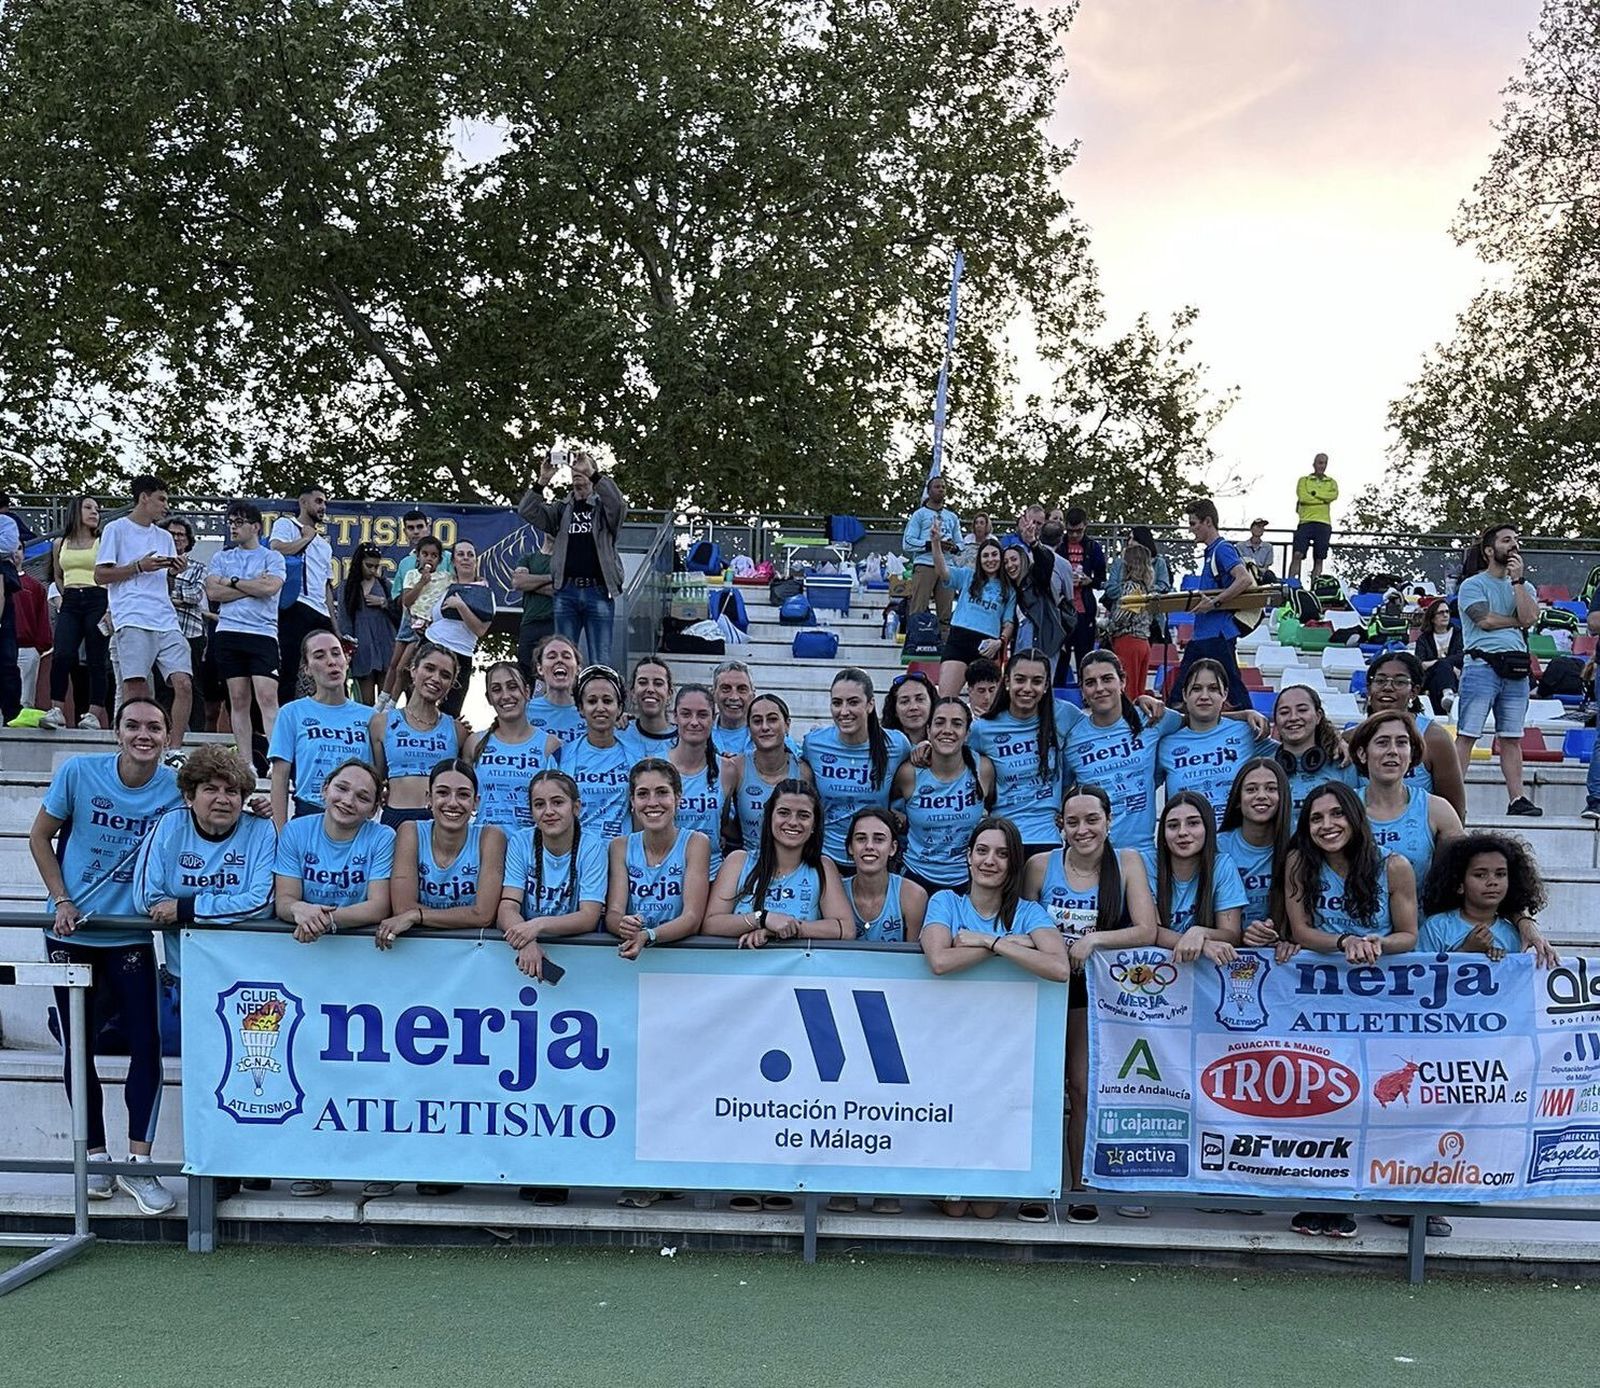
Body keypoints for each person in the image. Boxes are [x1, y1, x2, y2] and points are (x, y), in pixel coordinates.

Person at [27, 698, 182, 1213]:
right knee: (79, 1049)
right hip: (71, 935)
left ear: (167, 735)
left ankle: (140, 1165)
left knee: (147, 1044)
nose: (144, 734)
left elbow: (222, 801)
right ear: (116, 732)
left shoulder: (175, 784)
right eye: (133, 725)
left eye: (155, 727)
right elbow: (40, 836)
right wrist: (61, 900)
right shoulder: (78, 773)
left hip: (132, 937)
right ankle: (95, 1157)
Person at [1284, 781, 1417, 1241]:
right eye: (1317, 818)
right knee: (1322, 1097)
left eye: (1336, 815)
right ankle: (1319, 1197)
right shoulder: (1300, 862)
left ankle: (1362, 1197)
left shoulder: (1394, 866)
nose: (1327, 826)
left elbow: (1408, 936)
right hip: (1320, 1001)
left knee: (1372, 1099)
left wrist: (1375, 943)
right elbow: (1301, 930)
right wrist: (1344, 942)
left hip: (1381, 1002)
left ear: (1354, 818)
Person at [1023, 786, 1158, 1224]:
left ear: (1108, 821)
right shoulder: (1040, 866)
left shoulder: (1130, 863)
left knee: (1080, 1088)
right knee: (1040, 1089)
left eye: (1092, 820)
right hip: (1043, 988)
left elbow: (1146, 930)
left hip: (1094, 993)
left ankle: (1080, 1186)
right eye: (1073, 821)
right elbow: (1023, 923)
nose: (1083, 830)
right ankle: (1036, 1183)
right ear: (1060, 825)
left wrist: (1094, 939)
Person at [271, 756, 395, 1199]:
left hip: (364, 972)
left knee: (369, 1070)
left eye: (363, 796)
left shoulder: (383, 837)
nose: (349, 801)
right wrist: (300, 911)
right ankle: (315, 1164)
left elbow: (378, 907)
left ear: (375, 806)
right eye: (342, 789)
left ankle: (376, 1163)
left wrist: (321, 918)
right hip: (307, 968)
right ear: (324, 789)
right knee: (310, 1067)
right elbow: (285, 899)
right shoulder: (297, 831)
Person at [132, 744, 277, 981]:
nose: (222, 799)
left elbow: (261, 904)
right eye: (211, 789)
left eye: (231, 791)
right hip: (184, 975)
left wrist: (186, 909)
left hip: (246, 976)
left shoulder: (261, 829)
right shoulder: (170, 825)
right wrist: (228, 908)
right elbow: (146, 899)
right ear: (190, 796)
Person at [94, 474, 192, 749]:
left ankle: (174, 749)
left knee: (183, 684)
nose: (165, 506)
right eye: (161, 499)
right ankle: (132, 746)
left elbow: (164, 581)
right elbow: (100, 575)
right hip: (132, 616)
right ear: (143, 497)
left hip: (165, 617)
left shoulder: (164, 536)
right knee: (136, 688)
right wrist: (138, 566)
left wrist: (174, 569)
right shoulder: (116, 529)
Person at [1454, 522, 1541, 815]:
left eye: (1516, 540)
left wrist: (1517, 582)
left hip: (1515, 669)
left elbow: (1529, 617)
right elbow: (1485, 621)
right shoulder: (1472, 585)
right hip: (1481, 665)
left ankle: (1517, 798)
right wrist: (1516, 621)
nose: (1514, 545)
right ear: (1490, 550)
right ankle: (1451, 796)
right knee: (1468, 734)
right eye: (1506, 540)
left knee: (1512, 737)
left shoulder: (1524, 586)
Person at [377, 758, 506, 949]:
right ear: (429, 798)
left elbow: (484, 915)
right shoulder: (410, 831)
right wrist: (461, 916)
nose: (452, 803)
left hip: (472, 953)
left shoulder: (491, 837)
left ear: (476, 803)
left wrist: (417, 915)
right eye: (443, 793)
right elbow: (402, 908)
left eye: (463, 795)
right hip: (418, 948)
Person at [704, 779, 852, 943]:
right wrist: (762, 919)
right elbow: (710, 924)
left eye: (804, 815)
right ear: (769, 817)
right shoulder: (738, 861)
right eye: (784, 813)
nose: (793, 822)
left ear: (814, 825)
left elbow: (845, 929)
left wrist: (787, 929)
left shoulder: (822, 867)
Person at [517, 447, 627, 665]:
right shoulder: (561, 509)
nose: (577, 470)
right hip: (566, 591)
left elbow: (618, 505)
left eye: (583, 466)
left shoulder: (603, 510)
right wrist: (542, 480)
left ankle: (597, 697)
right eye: (574, 468)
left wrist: (593, 475)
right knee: (562, 656)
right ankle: (566, 698)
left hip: (598, 589)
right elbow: (527, 511)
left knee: (601, 657)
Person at [498, 768, 609, 983]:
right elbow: (507, 906)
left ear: (576, 807)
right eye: (539, 804)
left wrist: (536, 926)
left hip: (579, 954)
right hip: (527, 951)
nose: (548, 811)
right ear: (531, 811)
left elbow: (588, 917)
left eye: (558, 802)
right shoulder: (520, 842)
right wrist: (526, 940)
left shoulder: (592, 847)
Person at [1058, 649, 1171, 851]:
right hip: (1092, 853)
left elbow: (1201, 720)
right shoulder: (1072, 737)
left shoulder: (1151, 718)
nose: (1099, 688)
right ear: (1082, 690)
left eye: (1107, 679)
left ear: (1122, 681)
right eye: (1090, 683)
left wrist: (1244, 716)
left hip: (1142, 852)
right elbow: (1061, 792)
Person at [800, 668, 911, 868]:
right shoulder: (814, 744)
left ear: (870, 704)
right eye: (837, 703)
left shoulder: (896, 744)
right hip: (826, 857)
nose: (844, 711)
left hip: (874, 858)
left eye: (853, 702)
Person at [969, 649, 1071, 859]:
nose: (1027, 688)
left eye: (1036, 681)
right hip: (1003, 836)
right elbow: (954, 760)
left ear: (1046, 686)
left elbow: (1105, 722)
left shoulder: (1064, 715)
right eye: (1020, 679)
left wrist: (1143, 701)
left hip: (1047, 837)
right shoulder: (983, 729)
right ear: (1006, 682)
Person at [607, 759, 710, 961]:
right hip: (633, 958)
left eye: (662, 792)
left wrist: (649, 935)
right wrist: (623, 924)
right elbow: (613, 913)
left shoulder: (696, 843)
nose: (652, 802)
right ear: (632, 802)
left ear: (677, 798)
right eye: (643, 794)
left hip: (682, 958)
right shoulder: (619, 846)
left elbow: (692, 918)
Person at [269, 630, 375, 827]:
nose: (331, 661)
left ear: (346, 659)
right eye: (319, 656)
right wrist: (280, 833)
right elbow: (279, 779)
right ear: (307, 668)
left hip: (357, 822)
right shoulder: (291, 713)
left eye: (336, 653)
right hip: (308, 816)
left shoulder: (371, 717)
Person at [1347, 711, 1464, 889]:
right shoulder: (1343, 808)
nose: (1393, 751)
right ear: (1362, 753)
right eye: (1382, 743)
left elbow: (1457, 877)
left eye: (1401, 743)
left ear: (1411, 754)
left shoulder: (1438, 810)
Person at [205, 502, 287, 752]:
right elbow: (213, 592)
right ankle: (246, 761)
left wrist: (232, 582)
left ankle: (276, 758)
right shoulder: (221, 557)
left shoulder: (272, 557)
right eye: (230, 522)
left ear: (255, 527)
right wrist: (250, 587)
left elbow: (269, 588)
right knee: (238, 699)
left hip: (262, 633)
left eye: (239, 522)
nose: (233, 528)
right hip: (229, 632)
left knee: (267, 696)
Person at [892, 696, 994, 893]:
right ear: (928, 730)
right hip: (916, 878)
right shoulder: (908, 773)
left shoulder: (984, 769)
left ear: (967, 733)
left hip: (968, 879)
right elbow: (889, 805)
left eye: (957, 724)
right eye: (939, 722)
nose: (947, 730)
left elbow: (993, 808)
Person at [1157, 659, 1275, 828]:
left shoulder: (1246, 733)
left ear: (1224, 694)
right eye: (1196, 689)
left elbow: (1292, 751)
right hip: (1186, 844)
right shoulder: (1166, 743)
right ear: (1185, 694)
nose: (1204, 696)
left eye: (1213, 689)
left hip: (1233, 845)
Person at [1419, 832, 1555, 965]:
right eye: (1480, 875)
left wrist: (1496, 963)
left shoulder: (1512, 934)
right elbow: (1419, 976)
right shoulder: (1437, 927)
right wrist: (1465, 951)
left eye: (1500, 874)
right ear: (1460, 885)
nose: (1492, 882)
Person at [369, 644, 467, 827]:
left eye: (445, 675)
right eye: (429, 668)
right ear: (413, 671)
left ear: (451, 684)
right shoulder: (380, 723)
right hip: (395, 819)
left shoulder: (458, 731)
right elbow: (375, 779)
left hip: (440, 823)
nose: (436, 678)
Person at [1362, 650, 1467, 820]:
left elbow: (1455, 812)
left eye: (1400, 682)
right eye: (1380, 681)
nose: (1388, 687)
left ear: (1414, 691)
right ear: (1368, 689)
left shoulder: (1434, 738)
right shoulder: (1352, 738)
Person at [1171, 498, 1252, 711]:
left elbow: (1244, 579)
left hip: (1216, 635)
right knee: (1184, 689)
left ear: (1208, 521)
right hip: (1207, 635)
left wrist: (1215, 603)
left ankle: (1255, 731)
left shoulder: (1222, 549)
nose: (1191, 529)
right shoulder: (1213, 552)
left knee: (1231, 690)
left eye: (1193, 523)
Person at [41, 494, 110, 731]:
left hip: (98, 597)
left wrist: (109, 608)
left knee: (95, 659)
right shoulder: (60, 543)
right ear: (75, 512)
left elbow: (110, 575)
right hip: (71, 599)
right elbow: (58, 574)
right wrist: (66, 593)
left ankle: (93, 713)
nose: (94, 513)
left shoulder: (102, 541)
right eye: (88, 507)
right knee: (62, 654)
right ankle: (57, 709)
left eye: (97, 509)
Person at [269, 484, 340, 706]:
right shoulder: (287, 524)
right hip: (295, 605)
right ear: (303, 502)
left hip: (320, 612)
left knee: (330, 667)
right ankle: (285, 718)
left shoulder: (324, 545)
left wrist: (335, 626)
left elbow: (327, 586)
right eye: (318, 501)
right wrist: (306, 538)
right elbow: (277, 549)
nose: (323, 507)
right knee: (290, 666)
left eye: (325, 503)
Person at [1218, 757, 1294, 956]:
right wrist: (1240, 934)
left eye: (1271, 789)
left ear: (1283, 797)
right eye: (1251, 789)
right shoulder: (1217, 846)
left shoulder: (1298, 847)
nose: (1261, 796)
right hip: (1225, 953)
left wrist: (1289, 938)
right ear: (1237, 800)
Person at [464, 661, 548, 833]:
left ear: (527, 692)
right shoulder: (474, 743)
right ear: (489, 698)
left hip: (529, 851)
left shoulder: (550, 745)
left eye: (512, 687)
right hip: (482, 848)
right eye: (496, 689)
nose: (505, 695)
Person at [553, 664, 632, 841]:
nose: (600, 707)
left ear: (619, 708)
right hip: (578, 856)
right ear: (581, 708)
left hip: (620, 857)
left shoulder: (636, 755)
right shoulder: (561, 756)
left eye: (607, 700)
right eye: (592, 701)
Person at [930, 528, 1014, 695]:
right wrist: (935, 543)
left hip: (987, 646)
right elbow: (942, 572)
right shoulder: (968, 576)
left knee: (985, 705)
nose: (990, 559)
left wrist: (1000, 641)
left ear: (1001, 557)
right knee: (946, 698)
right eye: (986, 555)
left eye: (994, 555)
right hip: (959, 641)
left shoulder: (1009, 589)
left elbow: (1009, 623)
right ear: (979, 559)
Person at [414, 539, 492, 717]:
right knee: (419, 701)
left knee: (451, 710)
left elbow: (480, 630)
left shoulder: (484, 591)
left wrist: (460, 606)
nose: (465, 558)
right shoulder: (442, 585)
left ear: (476, 561)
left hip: (462, 654)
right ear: (453, 561)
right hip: (431, 644)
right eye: (461, 554)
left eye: (470, 555)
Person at [666, 683, 738, 877]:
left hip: (712, 871)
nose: (694, 722)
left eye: (702, 714)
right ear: (675, 717)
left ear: (713, 719)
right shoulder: (656, 766)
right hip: (668, 872)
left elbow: (723, 825)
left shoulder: (727, 769)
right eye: (686, 714)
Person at [731, 692, 809, 851]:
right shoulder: (736, 768)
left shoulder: (803, 772)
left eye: (772, 719)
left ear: (787, 724)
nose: (765, 727)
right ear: (749, 728)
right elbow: (724, 822)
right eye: (757, 721)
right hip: (751, 861)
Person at [383, 536, 452, 706]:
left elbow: (462, 583)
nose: (429, 558)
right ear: (418, 556)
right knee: (393, 663)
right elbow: (407, 600)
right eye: (425, 554)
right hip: (408, 621)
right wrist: (421, 582)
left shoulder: (445, 578)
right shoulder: (411, 575)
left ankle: (391, 704)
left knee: (402, 668)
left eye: (434, 555)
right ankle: (382, 699)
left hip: (423, 626)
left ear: (439, 559)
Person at [842, 808, 927, 944]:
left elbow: (913, 960)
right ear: (850, 847)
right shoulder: (836, 893)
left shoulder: (913, 895)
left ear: (892, 848)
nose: (869, 846)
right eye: (861, 838)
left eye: (879, 839)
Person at [1271, 684, 1356, 819]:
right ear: (1275, 720)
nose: (1293, 717)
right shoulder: (1265, 766)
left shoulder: (1344, 762)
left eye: (1302, 710)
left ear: (1318, 716)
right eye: (1284, 712)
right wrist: (1246, 713)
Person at [164, 517, 213, 734]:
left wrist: (167, 595)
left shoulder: (198, 568)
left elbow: (194, 596)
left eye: (180, 535)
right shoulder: (153, 566)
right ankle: (165, 729)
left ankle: (196, 732)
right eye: (171, 534)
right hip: (163, 631)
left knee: (193, 685)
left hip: (191, 633)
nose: (176, 539)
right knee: (162, 687)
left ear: (188, 541)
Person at [901, 474, 962, 633]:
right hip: (925, 564)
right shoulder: (919, 515)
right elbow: (907, 542)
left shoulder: (952, 517)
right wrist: (931, 544)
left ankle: (943, 647)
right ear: (929, 491)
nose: (941, 489)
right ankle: (914, 643)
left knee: (945, 612)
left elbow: (961, 544)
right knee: (918, 609)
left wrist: (952, 547)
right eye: (937, 486)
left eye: (943, 487)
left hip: (947, 566)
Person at [1055, 507, 1107, 684]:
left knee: (1085, 656)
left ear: (1086, 526)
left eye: (1079, 531)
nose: (1075, 535)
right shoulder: (1059, 545)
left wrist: (1088, 581)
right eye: (1070, 531)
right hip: (1062, 609)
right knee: (1061, 656)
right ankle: (1057, 694)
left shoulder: (1093, 547)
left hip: (1084, 610)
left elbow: (1102, 579)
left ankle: (1086, 691)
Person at [343, 541, 397, 705]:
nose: (373, 571)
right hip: (362, 649)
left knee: (385, 702)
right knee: (365, 704)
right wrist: (347, 650)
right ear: (359, 563)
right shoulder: (348, 587)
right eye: (369, 566)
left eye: (376, 567)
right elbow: (344, 621)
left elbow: (399, 610)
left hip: (386, 646)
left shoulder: (385, 585)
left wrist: (383, 602)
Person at [1104, 540, 1155, 698]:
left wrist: (1105, 628)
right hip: (1143, 642)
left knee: (1127, 692)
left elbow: (1121, 617)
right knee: (1139, 692)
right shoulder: (1146, 589)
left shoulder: (1130, 587)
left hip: (1128, 642)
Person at [511, 528, 556, 681]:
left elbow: (561, 590)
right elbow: (518, 582)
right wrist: (551, 577)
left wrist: (531, 584)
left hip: (555, 624)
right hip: (529, 624)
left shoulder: (565, 561)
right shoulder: (528, 558)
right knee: (524, 674)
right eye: (552, 524)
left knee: (552, 671)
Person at [526, 634, 585, 748]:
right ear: (540, 668)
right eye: (552, 657)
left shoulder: (591, 711)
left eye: (566, 656)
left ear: (578, 668)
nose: (559, 660)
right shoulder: (525, 711)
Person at [616, 655, 677, 762]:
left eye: (658, 683)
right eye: (642, 682)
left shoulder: (682, 739)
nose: (650, 689)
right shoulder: (619, 733)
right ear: (633, 693)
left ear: (669, 694)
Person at [1290, 452, 1338, 583]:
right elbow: (1303, 497)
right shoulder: (1304, 480)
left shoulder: (1331, 482)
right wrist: (1322, 499)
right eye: (1320, 463)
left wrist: (1314, 494)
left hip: (1323, 523)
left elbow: (1333, 496)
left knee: (1319, 558)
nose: (1322, 466)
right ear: (1314, 464)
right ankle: (1291, 585)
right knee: (1297, 554)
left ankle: (1315, 587)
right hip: (1306, 521)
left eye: (1325, 463)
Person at [1415, 598, 1463, 715]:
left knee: (1443, 667)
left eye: (1447, 612)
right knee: (1441, 669)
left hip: (1457, 678)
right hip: (1432, 678)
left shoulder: (1458, 634)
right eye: (1441, 612)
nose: (1445, 615)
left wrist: (1441, 663)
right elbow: (1420, 664)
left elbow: (1462, 656)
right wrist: (1447, 665)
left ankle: (1447, 696)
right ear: (1432, 617)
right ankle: (1447, 694)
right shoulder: (1424, 639)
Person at [710, 659, 756, 759]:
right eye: (726, 689)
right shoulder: (700, 734)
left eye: (742, 689)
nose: (734, 697)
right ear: (714, 694)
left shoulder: (768, 735)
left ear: (752, 696)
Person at [881, 671, 936, 750]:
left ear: (932, 703)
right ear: (895, 710)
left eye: (920, 699)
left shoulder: (945, 745)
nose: (913, 707)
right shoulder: (882, 746)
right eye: (905, 702)